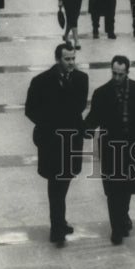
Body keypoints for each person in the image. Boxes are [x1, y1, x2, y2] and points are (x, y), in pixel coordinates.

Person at [25, 43, 88, 247]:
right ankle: (56, 227)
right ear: (57, 59)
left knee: (64, 181)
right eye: (67, 59)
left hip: (71, 139)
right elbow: (30, 110)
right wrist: (50, 123)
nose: (71, 63)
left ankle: (59, 221)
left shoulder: (81, 79)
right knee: (56, 185)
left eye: (73, 58)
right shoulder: (41, 81)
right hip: (52, 141)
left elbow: (79, 105)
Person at [84, 55, 135, 245]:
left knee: (128, 186)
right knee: (113, 189)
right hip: (111, 148)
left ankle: (123, 216)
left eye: (120, 74)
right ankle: (117, 227)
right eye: (114, 73)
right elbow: (93, 117)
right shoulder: (101, 93)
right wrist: (85, 129)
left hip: (132, 147)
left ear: (127, 72)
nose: (116, 77)